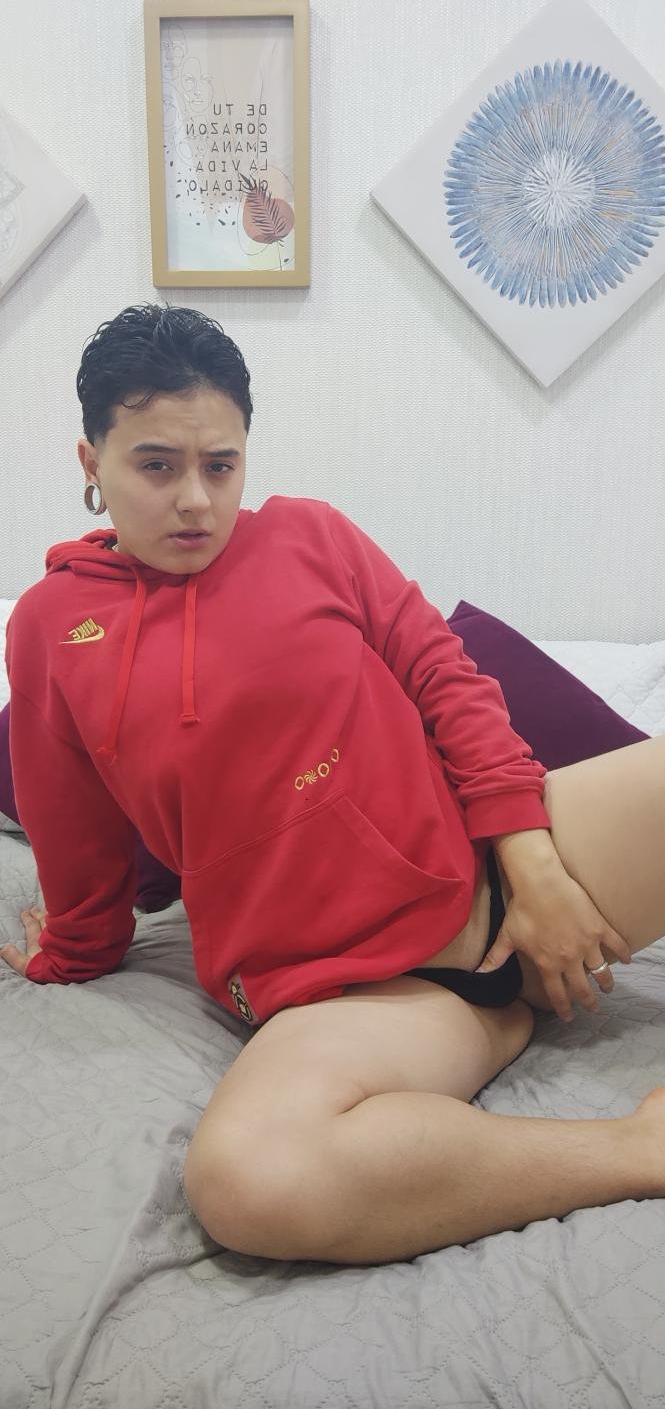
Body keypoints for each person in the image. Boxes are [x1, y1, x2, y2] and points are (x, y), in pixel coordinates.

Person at [2, 303, 665, 1268]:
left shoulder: (310, 535)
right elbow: (73, 827)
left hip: (506, 870)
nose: (195, 500)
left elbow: (448, 682)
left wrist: (536, 873)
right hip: (358, 997)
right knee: (249, 1182)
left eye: (220, 465)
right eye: (156, 465)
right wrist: (70, 951)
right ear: (90, 462)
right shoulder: (50, 628)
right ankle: (635, 1148)